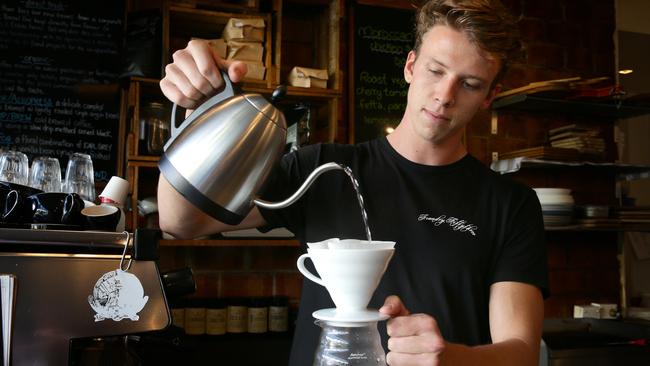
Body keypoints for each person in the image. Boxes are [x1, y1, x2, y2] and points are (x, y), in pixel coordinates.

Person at [158, 0, 548, 365]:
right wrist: (198, 114)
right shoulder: (322, 169)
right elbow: (180, 222)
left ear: (489, 96)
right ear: (410, 66)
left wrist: (452, 359)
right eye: (436, 70)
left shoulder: (510, 203)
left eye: (470, 84)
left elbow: (521, 352)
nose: (445, 96)